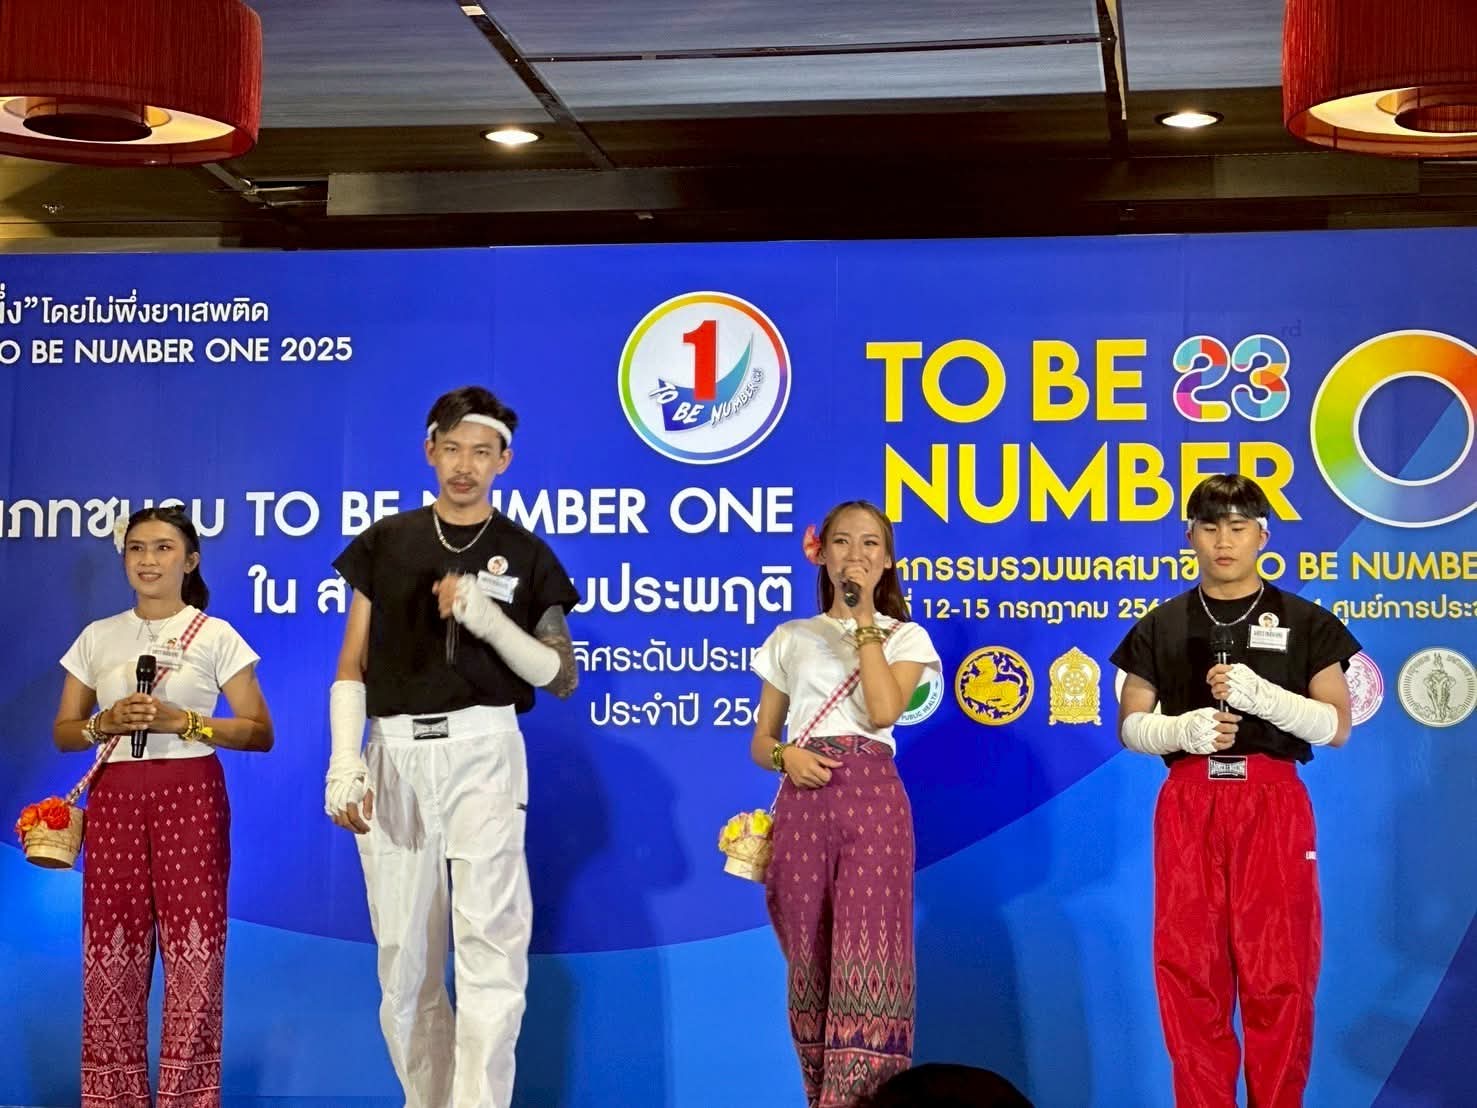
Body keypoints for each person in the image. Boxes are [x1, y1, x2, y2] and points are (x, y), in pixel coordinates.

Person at [323, 385, 580, 1108]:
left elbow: (559, 676)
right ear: (430, 451)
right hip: (396, 752)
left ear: (505, 461)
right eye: (453, 449)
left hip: (484, 751)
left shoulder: (525, 554)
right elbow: (352, 662)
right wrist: (345, 758)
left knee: (491, 951)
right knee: (404, 965)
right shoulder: (386, 542)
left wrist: (488, 620)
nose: (466, 465)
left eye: (482, 452)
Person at [1110, 473, 1360, 1107]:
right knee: (1188, 969)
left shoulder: (1305, 620)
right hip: (1189, 800)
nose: (1224, 541)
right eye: (1210, 527)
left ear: (1262, 536)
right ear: (1189, 535)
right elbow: (1131, 723)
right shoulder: (1162, 624)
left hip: (1271, 802)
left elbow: (1337, 726)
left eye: (1239, 527)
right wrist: (1180, 729)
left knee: (1280, 971)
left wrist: (1265, 697)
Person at [52, 505, 274, 1108]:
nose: (148, 560)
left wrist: (187, 722)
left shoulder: (216, 634)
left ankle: (188, 1098)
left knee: (194, 954)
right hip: (115, 800)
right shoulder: (97, 636)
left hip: (190, 794)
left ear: (190, 560)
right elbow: (64, 732)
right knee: (111, 952)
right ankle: (111, 1098)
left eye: (163, 548)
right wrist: (104, 722)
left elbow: (259, 731)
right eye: (136, 548)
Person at [749, 499, 941, 1108]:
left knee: (869, 956)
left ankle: (865, 1100)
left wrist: (864, 624)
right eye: (841, 542)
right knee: (808, 960)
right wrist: (786, 757)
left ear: (886, 561)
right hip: (803, 805)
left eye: (869, 544)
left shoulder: (906, 636)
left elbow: (883, 711)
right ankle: (820, 1097)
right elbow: (761, 739)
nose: (854, 554)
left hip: (873, 803)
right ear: (822, 555)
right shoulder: (790, 637)